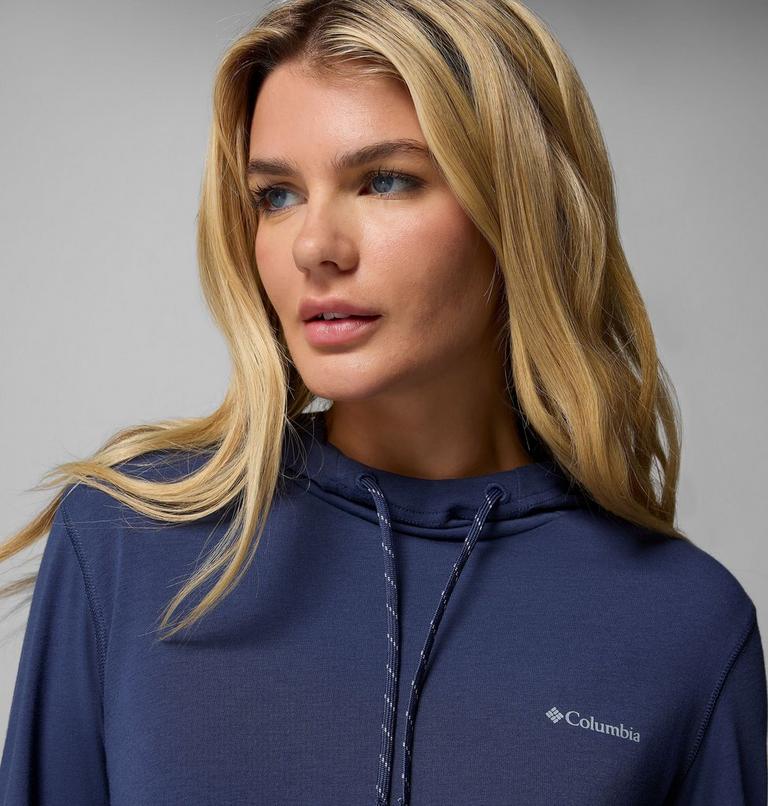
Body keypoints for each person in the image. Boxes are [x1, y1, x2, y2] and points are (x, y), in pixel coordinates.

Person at [1, 0, 765, 803]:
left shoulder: (683, 625)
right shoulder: (126, 543)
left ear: (518, 209)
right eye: (277, 195)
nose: (314, 246)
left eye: (385, 181)